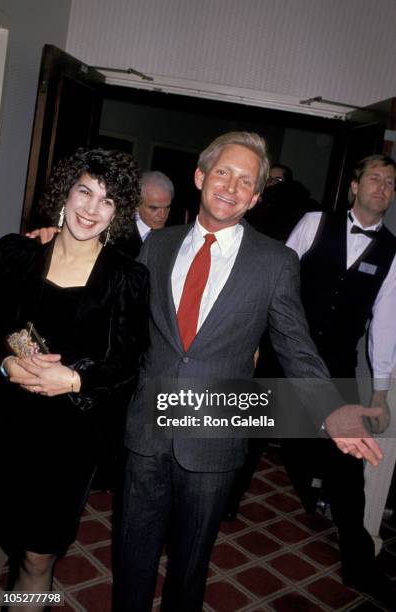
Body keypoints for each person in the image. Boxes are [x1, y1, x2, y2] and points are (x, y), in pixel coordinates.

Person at [115, 132, 383, 612]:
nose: (231, 187)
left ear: (257, 197)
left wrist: (332, 409)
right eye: (223, 172)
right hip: (147, 431)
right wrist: (58, 240)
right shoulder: (156, 245)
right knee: (131, 560)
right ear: (200, 177)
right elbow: (117, 317)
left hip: (215, 432)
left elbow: (296, 346)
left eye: (246, 181)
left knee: (190, 567)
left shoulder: (275, 262)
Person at [0, 148, 149, 610]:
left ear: (117, 215)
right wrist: (5, 364)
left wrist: (75, 380)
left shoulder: (127, 278)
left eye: (107, 201)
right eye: (85, 191)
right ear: (65, 191)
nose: (90, 209)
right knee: (7, 537)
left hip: (67, 440)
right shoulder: (13, 253)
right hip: (3, 421)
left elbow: (127, 363)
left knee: (39, 557)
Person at [279, 153, 396, 606]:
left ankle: (359, 564)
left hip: (336, 367)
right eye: (374, 178)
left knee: (347, 471)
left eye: (390, 182)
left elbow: (385, 324)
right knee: (243, 438)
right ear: (353, 185)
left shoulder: (391, 251)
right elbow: (279, 282)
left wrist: (381, 395)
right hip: (285, 356)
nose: (381, 187)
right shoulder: (313, 222)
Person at [246, 163, 319, 241]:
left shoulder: (292, 204)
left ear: (287, 182)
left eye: (278, 179)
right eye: (269, 179)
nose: (272, 182)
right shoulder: (255, 201)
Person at [124, 170, 174, 257]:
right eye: (154, 208)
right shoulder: (117, 235)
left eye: (167, 207)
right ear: (136, 204)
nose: (162, 215)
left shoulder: (174, 237)